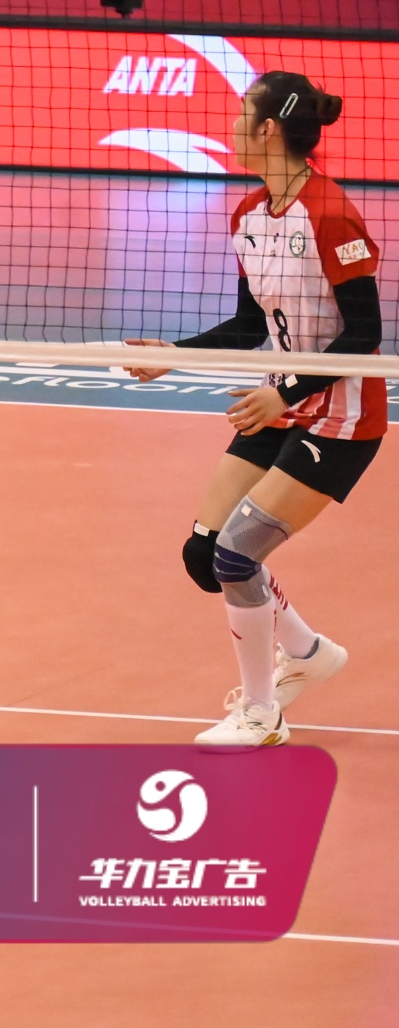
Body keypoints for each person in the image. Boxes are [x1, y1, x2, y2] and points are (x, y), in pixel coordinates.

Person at [124, 72, 382, 747]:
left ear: (268, 129)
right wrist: (175, 353)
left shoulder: (330, 214)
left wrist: (285, 391)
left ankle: (262, 714)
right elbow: (248, 326)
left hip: (341, 418)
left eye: (242, 112)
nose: (233, 123)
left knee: (237, 555)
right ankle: (308, 653)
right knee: (204, 553)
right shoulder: (248, 215)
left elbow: (365, 333)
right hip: (283, 404)